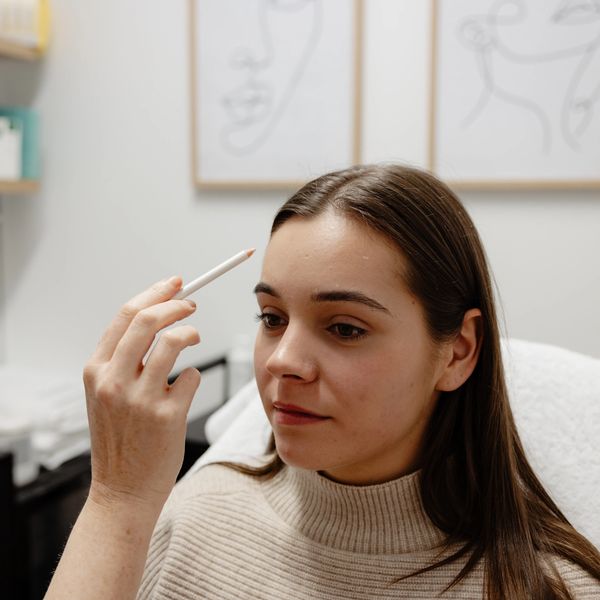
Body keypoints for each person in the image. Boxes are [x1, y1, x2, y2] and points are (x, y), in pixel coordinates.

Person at [45, 164, 600, 599]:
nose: (284, 361)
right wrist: (116, 499)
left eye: (344, 327)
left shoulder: (550, 588)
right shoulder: (192, 521)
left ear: (457, 351)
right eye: (271, 318)